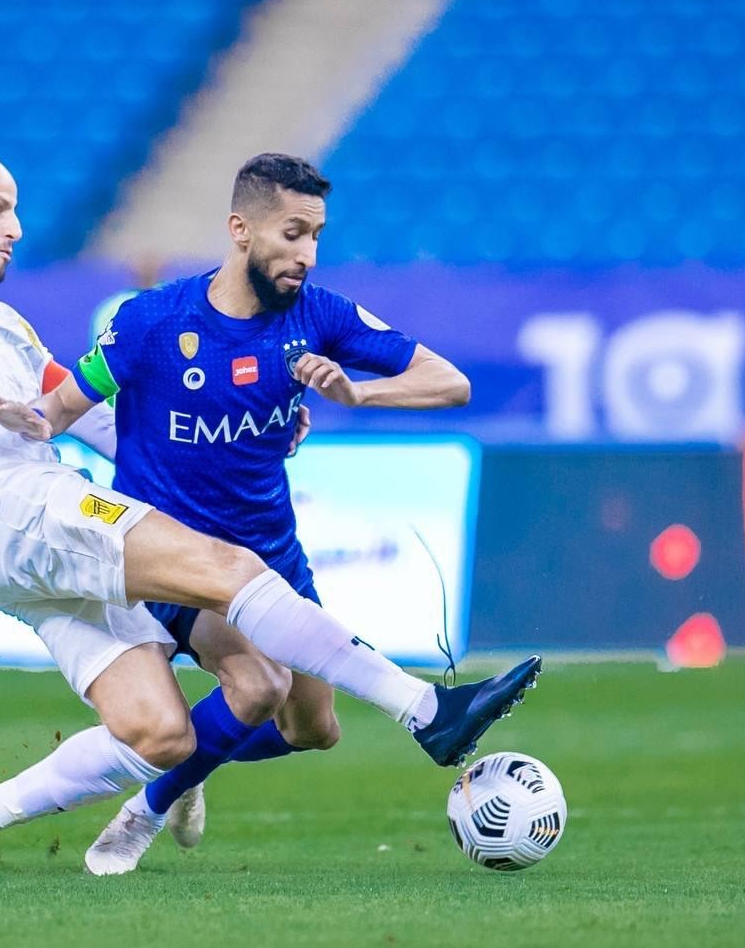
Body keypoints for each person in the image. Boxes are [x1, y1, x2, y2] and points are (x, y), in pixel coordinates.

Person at [0, 151, 541, 875]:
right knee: (234, 570)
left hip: (22, 528)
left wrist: (260, 403)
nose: (17, 226)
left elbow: (88, 414)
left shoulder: (6, 325)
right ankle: (425, 707)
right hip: (7, 504)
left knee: (165, 734)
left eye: (17, 210)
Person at [31, 152, 486, 876]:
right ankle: (145, 808)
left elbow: (449, 382)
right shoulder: (152, 320)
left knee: (315, 727)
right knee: (257, 684)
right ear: (241, 229)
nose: (306, 253)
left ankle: (197, 760)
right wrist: (5, 443)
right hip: (175, 558)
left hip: (273, 555)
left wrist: (360, 396)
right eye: (292, 233)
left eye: (316, 236)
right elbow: (60, 408)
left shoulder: (320, 315)